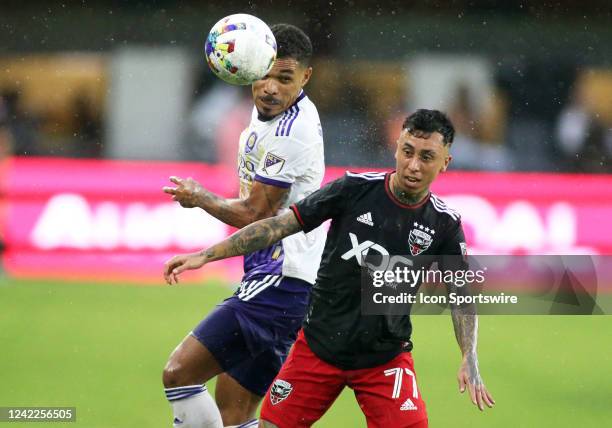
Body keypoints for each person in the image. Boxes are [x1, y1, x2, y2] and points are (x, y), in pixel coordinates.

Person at [164, 109, 495, 427]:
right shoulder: (353, 190)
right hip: (318, 349)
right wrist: (207, 255)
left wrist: (470, 354)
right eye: (407, 151)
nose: (413, 165)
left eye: (426, 157)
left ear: (444, 163)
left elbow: (461, 294)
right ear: (396, 147)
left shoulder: (444, 224)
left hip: (383, 359)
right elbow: (277, 227)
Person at [161, 24, 326, 428]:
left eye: (284, 79)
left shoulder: (293, 131)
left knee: (179, 374)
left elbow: (256, 214)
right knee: (233, 414)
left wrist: (200, 197)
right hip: (279, 279)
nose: (270, 88)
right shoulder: (267, 115)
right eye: (264, 74)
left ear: (305, 77)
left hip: (281, 282)